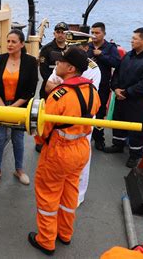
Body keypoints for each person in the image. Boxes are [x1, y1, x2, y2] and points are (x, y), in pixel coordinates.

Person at [29, 47, 100, 256]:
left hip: (59, 152)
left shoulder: (59, 96)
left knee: (48, 195)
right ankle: (65, 233)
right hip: (81, 151)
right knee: (70, 194)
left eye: (60, 61)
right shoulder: (92, 91)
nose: (56, 64)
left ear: (70, 68)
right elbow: (95, 109)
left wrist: (41, 141)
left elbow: (43, 128)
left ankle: (46, 240)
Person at [44, 35, 101, 207]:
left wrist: (62, 90)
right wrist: (67, 91)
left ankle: (79, 195)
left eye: (72, 46)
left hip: (80, 126)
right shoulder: (66, 66)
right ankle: (69, 202)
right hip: (65, 129)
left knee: (76, 170)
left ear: (84, 47)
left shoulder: (93, 69)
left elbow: (87, 101)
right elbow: (48, 86)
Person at [104, 27, 143, 168]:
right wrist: (116, 88)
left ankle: (135, 154)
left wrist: (125, 93)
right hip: (121, 97)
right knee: (119, 121)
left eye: (135, 39)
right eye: (132, 38)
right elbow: (117, 73)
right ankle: (118, 144)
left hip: (136, 101)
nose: (131, 41)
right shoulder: (128, 56)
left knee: (136, 127)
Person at [0, 29, 38, 186]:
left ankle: (19, 169)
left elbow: (31, 88)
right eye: (8, 41)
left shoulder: (30, 62)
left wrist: (13, 108)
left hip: (19, 106)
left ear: (22, 44)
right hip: (0, 104)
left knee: (18, 139)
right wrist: (3, 106)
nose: (9, 45)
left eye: (13, 42)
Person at [87, 22, 121, 151]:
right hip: (87, 86)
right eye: (93, 33)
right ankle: (86, 135)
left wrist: (101, 55)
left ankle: (99, 138)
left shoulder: (110, 48)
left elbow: (117, 63)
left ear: (104, 34)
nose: (94, 35)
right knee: (86, 111)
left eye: (97, 33)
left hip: (102, 86)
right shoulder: (87, 46)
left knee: (100, 112)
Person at [38, 22, 68, 100]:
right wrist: (53, 83)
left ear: (67, 35)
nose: (60, 35)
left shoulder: (70, 49)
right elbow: (43, 70)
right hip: (49, 87)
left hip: (66, 87)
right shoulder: (46, 49)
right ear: (54, 33)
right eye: (58, 32)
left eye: (63, 33)